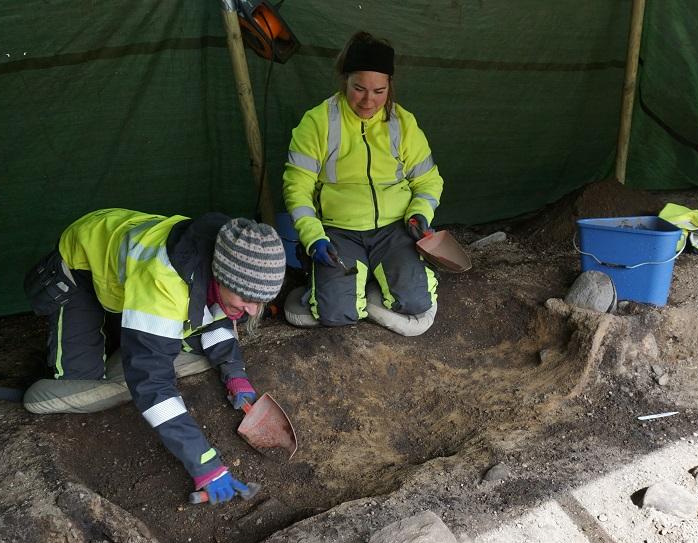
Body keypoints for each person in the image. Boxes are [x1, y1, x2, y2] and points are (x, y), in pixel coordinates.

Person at [22, 208, 286, 504]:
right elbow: (153, 387)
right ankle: (51, 384)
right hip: (83, 263)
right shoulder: (164, 283)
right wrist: (206, 465)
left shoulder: (232, 253)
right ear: (219, 276)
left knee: (183, 339)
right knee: (79, 383)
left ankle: (131, 335)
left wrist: (234, 372)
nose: (252, 310)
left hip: (129, 269)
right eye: (247, 300)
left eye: (261, 301)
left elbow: (217, 316)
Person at [282, 31, 444, 336]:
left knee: (414, 301)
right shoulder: (317, 122)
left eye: (379, 91)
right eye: (359, 89)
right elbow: (296, 188)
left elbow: (428, 180)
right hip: (339, 233)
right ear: (345, 80)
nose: (368, 100)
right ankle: (334, 286)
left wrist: (420, 213)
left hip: (394, 230)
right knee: (336, 313)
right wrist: (313, 236)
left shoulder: (403, 123)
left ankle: (373, 281)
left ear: (390, 87)